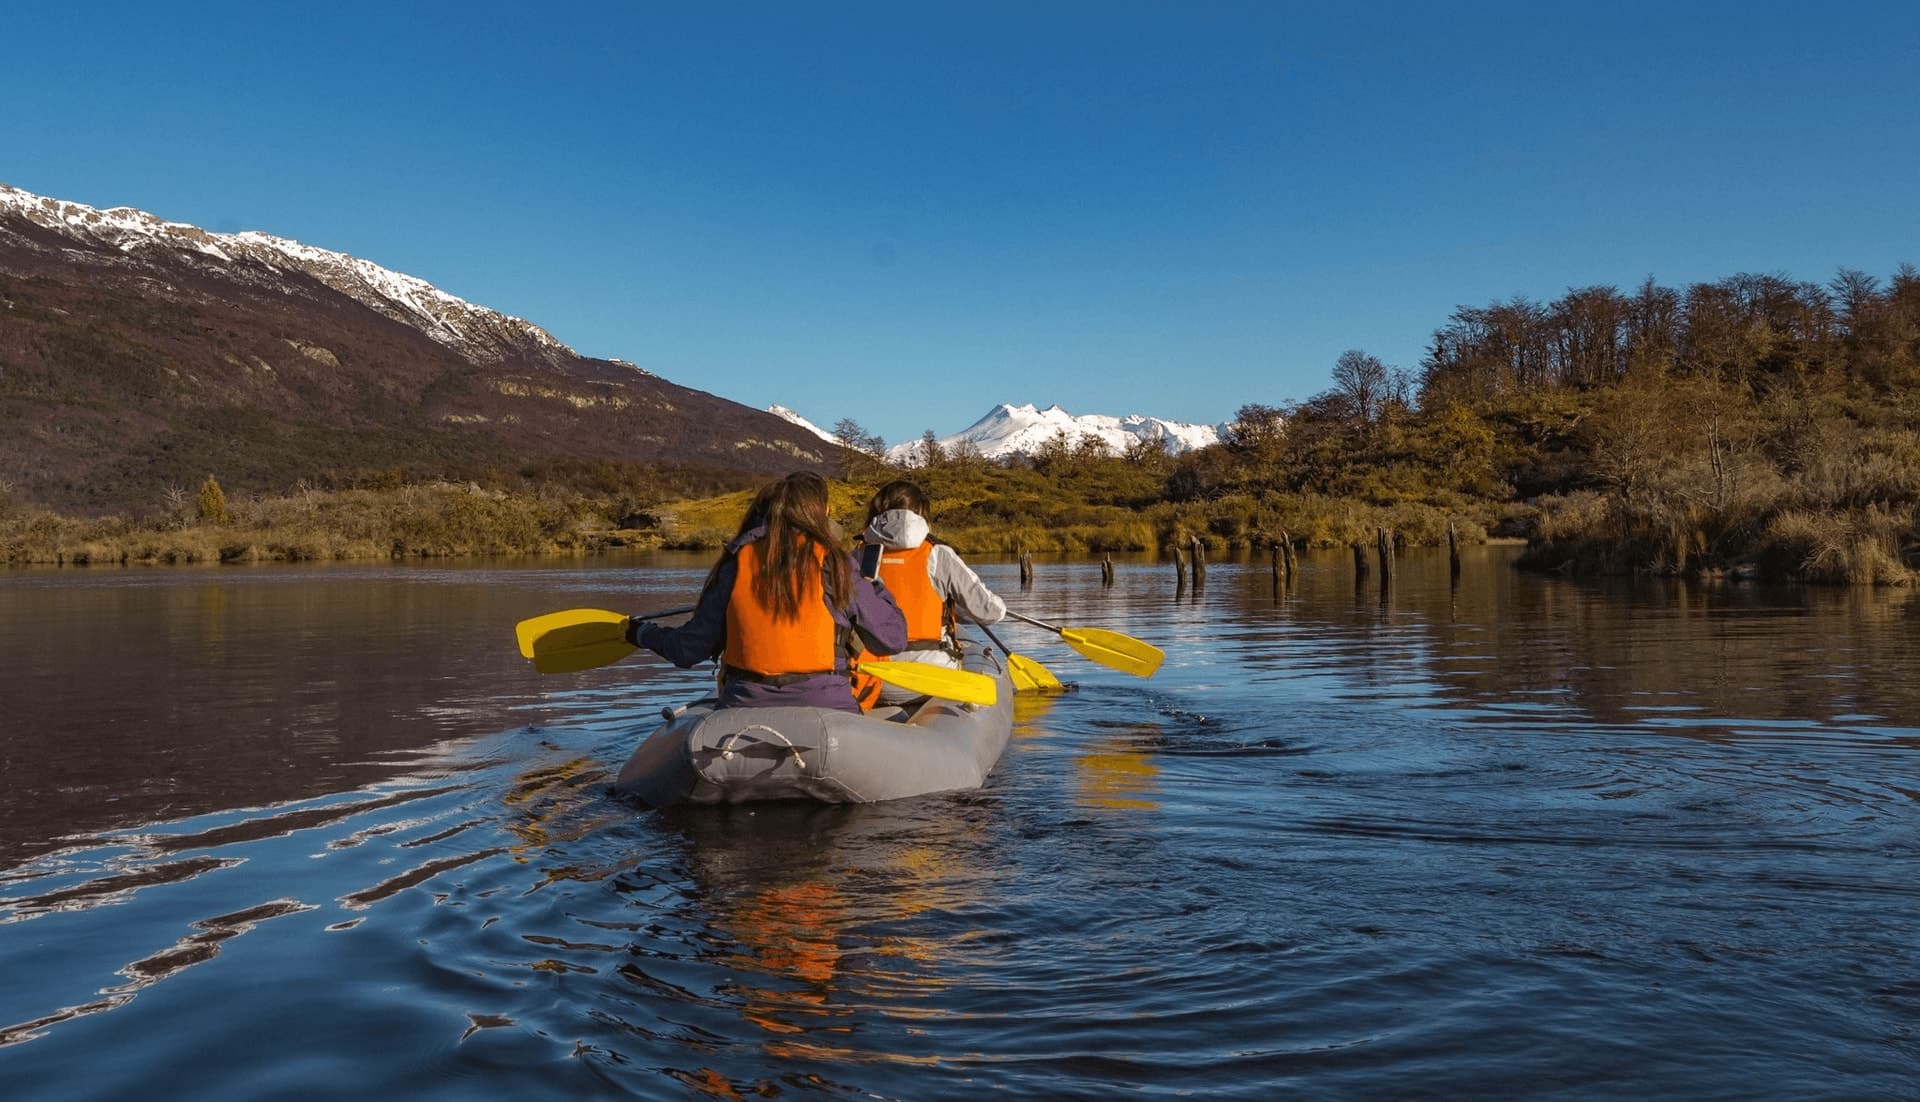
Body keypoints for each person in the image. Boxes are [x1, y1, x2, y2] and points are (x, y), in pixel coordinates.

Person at [625, 471, 907, 713]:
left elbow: (687, 650)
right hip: (826, 708)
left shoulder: (736, 560)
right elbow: (891, 639)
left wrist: (639, 632)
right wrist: (875, 586)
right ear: (825, 513)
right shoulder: (836, 562)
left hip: (743, 708)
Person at [854, 479, 1007, 706]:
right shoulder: (939, 553)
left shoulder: (857, 555)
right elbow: (990, 612)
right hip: (932, 678)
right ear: (921, 513)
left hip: (874, 678)